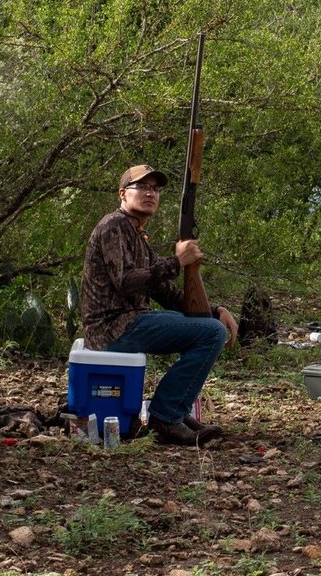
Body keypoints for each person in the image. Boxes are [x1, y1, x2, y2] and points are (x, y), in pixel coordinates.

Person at [81, 164, 238, 446]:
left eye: (154, 188)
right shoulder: (113, 227)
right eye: (141, 187)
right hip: (112, 328)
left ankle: (173, 410)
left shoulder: (136, 234)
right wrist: (177, 262)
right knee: (211, 333)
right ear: (122, 193)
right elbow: (126, 282)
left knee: (211, 327)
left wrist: (216, 310)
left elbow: (164, 292)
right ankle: (165, 417)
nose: (150, 193)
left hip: (130, 323)